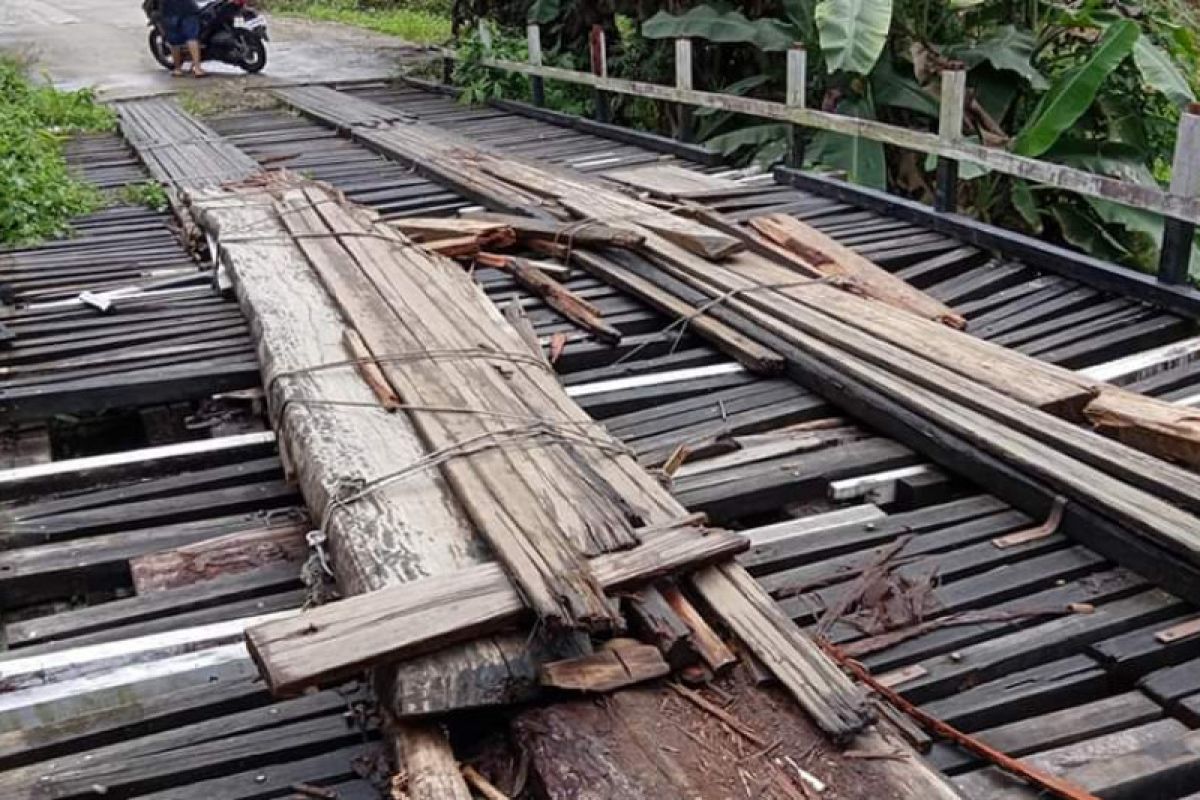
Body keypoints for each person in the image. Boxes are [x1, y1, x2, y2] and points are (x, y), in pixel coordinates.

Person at [161, 0, 206, 78]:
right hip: (188, 9)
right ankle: (197, 68)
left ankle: (178, 69)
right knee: (192, 38)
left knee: (175, 42)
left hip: (170, 11)